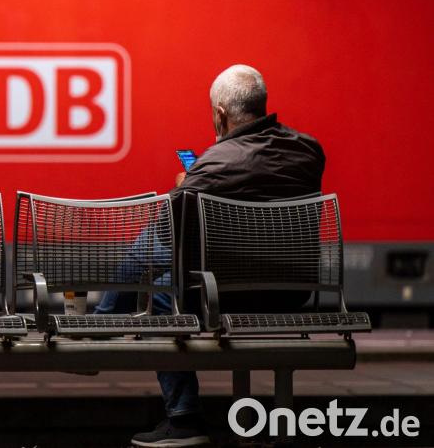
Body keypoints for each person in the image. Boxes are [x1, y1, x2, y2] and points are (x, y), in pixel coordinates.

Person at [95, 64, 326, 447]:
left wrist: (189, 185)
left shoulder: (214, 165)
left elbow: (170, 236)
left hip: (225, 297)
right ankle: (103, 331)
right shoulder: (308, 151)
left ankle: (179, 412)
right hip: (291, 293)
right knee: (161, 258)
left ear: (220, 114)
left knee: (156, 263)